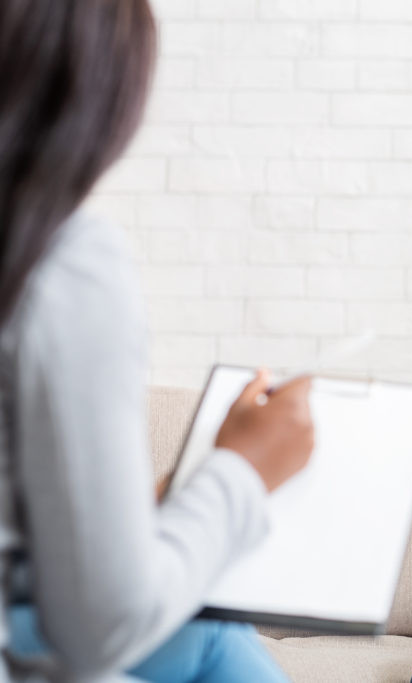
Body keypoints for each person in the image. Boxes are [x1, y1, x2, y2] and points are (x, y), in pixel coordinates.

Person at [0, 1, 314, 681]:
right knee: (215, 638)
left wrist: (147, 505)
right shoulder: (61, 260)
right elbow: (102, 626)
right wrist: (244, 472)